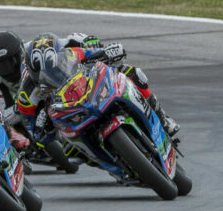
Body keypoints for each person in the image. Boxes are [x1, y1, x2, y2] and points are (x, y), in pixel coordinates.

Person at [13, 32, 180, 148]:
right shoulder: (26, 95)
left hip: (89, 92)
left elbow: (98, 53)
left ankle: (162, 118)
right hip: (67, 118)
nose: (52, 72)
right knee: (69, 150)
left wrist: (110, 52)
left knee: (133, 73)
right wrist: (43, 124)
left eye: (54, 66)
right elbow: (39, 137)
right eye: (43, 71)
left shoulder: (71, 53)